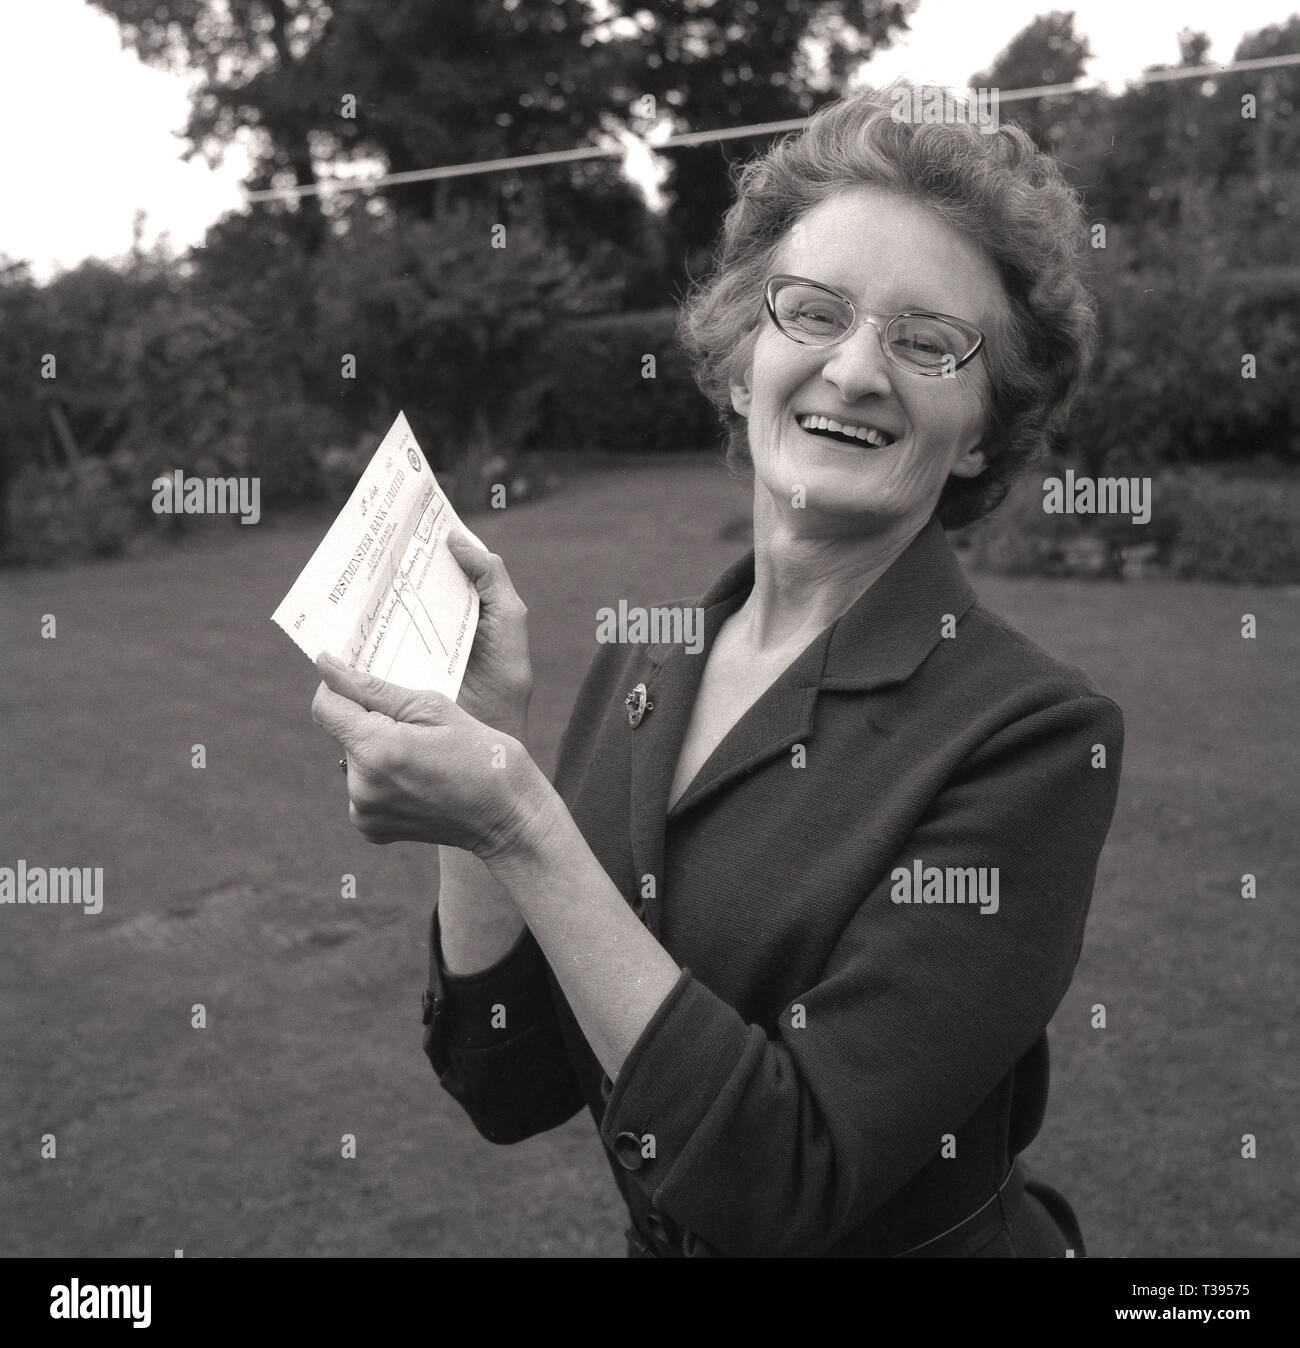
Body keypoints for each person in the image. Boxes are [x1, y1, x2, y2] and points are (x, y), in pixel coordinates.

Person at [311, 83, 1124, 1258]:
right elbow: (508, 1079)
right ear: (745, 363)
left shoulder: (1033, 738)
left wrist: (522, 822)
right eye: (812, 312)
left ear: (987, 426)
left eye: (926, 340)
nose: (853, 370)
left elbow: (784, 1184)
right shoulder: (652, 658)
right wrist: (481, 765)